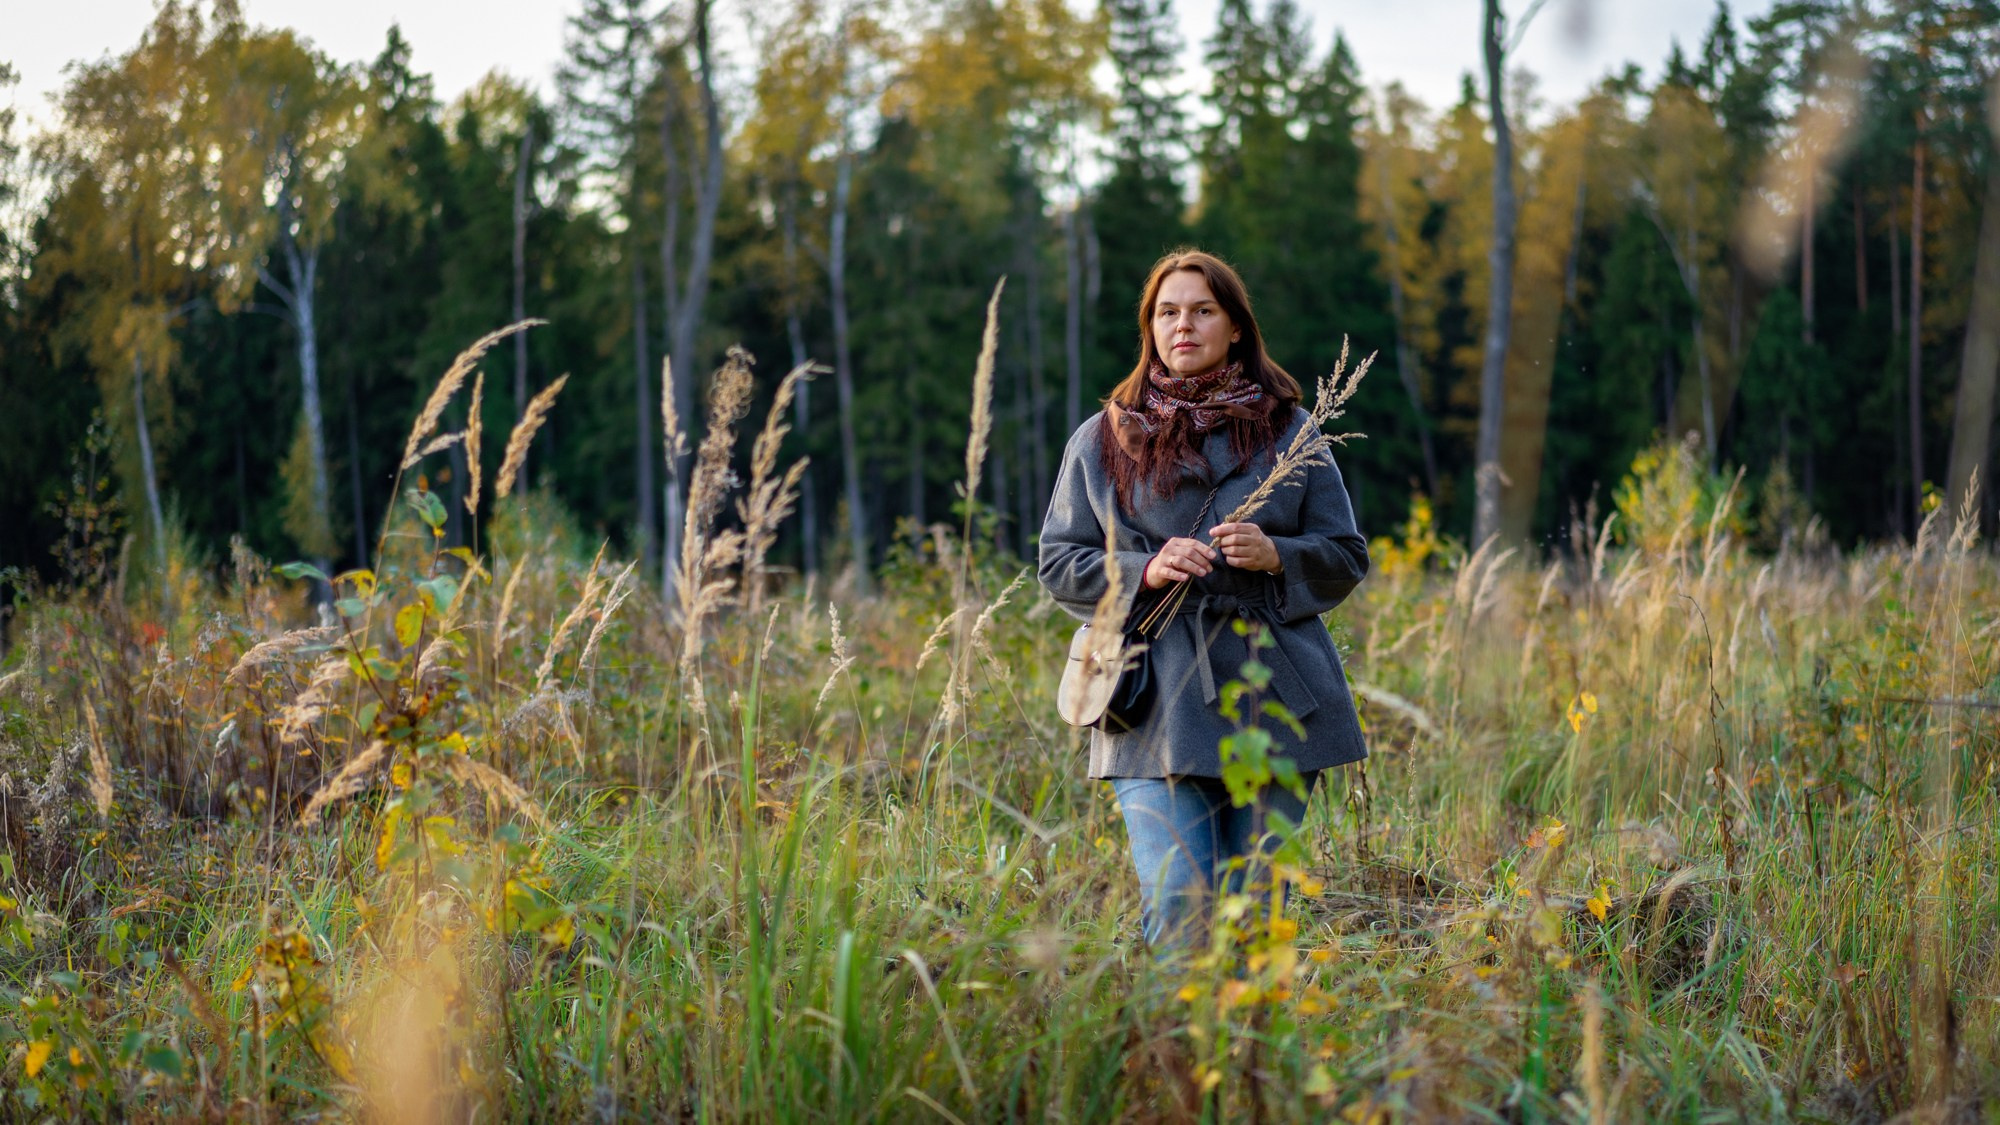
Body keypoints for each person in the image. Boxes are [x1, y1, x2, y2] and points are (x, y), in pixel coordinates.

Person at [1038, 248, 1369, 954]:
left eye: (1201, 310)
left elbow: (1346, 556)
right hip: (1152, 700)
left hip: (1276, 697)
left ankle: (1252, 1061)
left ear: (1236, 327)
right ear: (1149, 328)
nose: (1181, 325)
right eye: (1166, 312)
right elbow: (1058, 563)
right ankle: (1176, 1064)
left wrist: (1280, 554)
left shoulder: (1292, 432)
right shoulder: (1103, 438)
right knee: (1180, 907)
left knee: (1257, 917)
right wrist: (1145, 567)